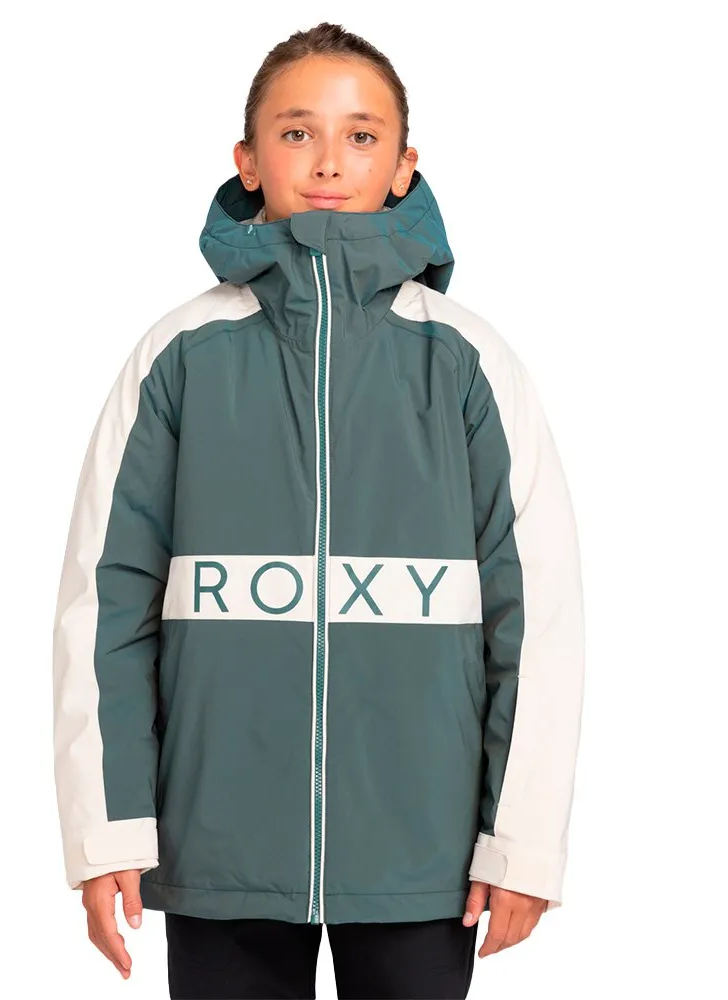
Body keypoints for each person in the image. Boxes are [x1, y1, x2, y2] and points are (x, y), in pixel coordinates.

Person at [52, 20, 585, 1000]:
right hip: (219, 838)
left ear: (405, 164)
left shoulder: (467, 362)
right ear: (248, 161)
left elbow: (538, 616)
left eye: (361, 135)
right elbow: (104, 603)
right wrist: (107, 826)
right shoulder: (179, 357)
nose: (329, 160)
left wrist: (521, 841)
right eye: (297, 133)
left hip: (423, 850)